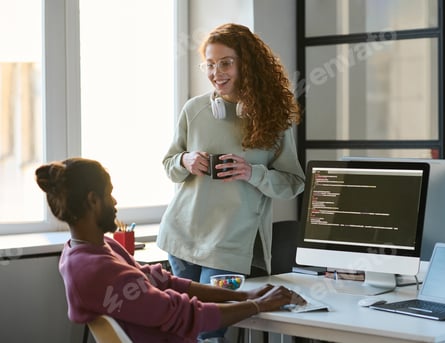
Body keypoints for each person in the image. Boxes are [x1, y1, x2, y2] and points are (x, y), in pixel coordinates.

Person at [35, 157, 305, 343]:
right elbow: (189, 315)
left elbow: (164, 281)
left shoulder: (88, 250)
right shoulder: (99, 271)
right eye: (109, 193)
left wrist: (245, 294)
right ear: (93, 200)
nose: (115, 202)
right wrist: (258, 305)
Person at [157, 24, 305, 332]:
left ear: (246, 64)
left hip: (228, 248)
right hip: (181, 238)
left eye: (226, 63)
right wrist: (185, 160)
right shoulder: (194, 109)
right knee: (181, 331)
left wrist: (252, 172)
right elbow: (169, 164)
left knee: (209, 332)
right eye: (210, 64)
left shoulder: (274, 118)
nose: (216, 72)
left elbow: (294, 183)